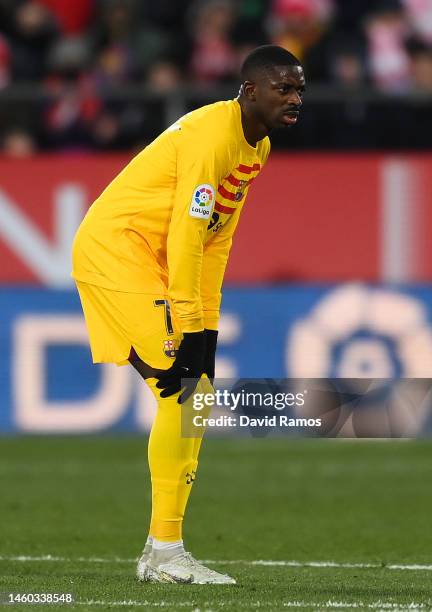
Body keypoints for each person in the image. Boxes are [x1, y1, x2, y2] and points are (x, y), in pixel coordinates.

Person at [71, 44, 305, 584]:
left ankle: (165, 549)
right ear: (250, 92)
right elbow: (185, 233)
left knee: (193, 392)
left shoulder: (257, 145)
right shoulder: (213, 137)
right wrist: (189, 322)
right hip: (119, 253)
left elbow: (215, 241)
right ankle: (164, 551)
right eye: (284, 89)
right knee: (183, 392)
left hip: (151, 259)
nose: (295, 99)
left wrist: (208, 329)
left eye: (300, 89)